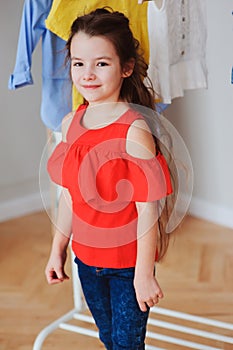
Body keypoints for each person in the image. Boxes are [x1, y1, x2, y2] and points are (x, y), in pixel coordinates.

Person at [45, 8, 174, 350]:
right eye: (78, 63)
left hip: (126, 266)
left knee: (127, 345)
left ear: (126, 67)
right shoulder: (70, 123)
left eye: (101, 63)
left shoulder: (134, 130)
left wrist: (143, 275)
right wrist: (58, 249)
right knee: (108, 339)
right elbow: (69, 197)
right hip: (85, 260)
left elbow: (148, 209)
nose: (87, 74)